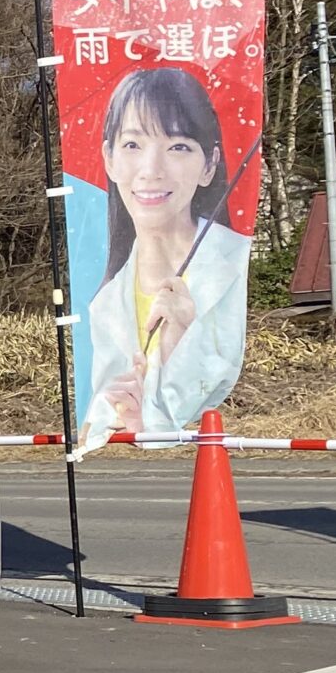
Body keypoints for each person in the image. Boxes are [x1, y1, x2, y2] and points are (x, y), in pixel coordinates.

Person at [80, 65, 250, 442]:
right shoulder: (105, 304)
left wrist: (182, 339)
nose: (150, 170)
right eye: (133, 145)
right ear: (109, 158)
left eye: (178, 147)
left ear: (209, 164)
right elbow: (98, 423)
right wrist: (125, 418)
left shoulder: (236, 262)